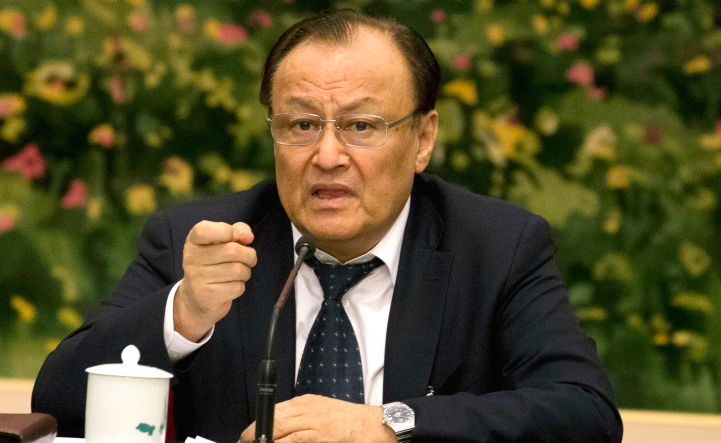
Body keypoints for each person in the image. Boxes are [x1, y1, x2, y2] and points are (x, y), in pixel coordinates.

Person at [32, 9, 623, 442]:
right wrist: (183, 313)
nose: (329, 155)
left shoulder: (496, 247)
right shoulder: (205, 240)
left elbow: (584, 413)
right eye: (302, 125)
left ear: (423, 139)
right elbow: (55, 403)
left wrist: (387, 424)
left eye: (362, 126)